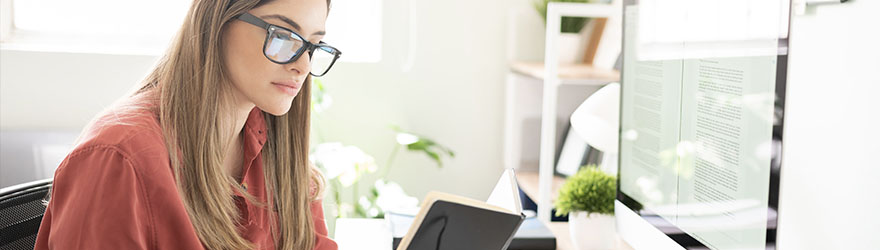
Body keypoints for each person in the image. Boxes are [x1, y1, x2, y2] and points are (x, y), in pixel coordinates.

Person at [33, 0, 341, 249]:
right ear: (217, 21)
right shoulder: (117, 157)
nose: (302, 65)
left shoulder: (278, 149)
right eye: (283, 36)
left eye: (314, 45)